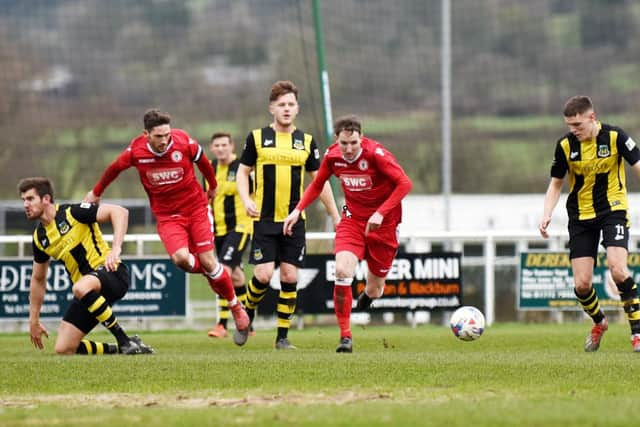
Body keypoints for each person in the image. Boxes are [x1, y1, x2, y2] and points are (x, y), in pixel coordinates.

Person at [84, 109, 250, 346]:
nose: (165, 141)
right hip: (168, 217)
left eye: (167, 135)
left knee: (209, 261)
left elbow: (203, 161)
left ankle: (235, 306)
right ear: (146, 134)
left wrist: (212, 186)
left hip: (196, 209)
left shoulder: (182, 142)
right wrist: (96, 192)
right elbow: (114, 169)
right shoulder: (136, 151)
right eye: (159, 136)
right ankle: (211, 274)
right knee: (182, 259)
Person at [283, 115, 412, 353]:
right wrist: (297, 210)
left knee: (375, 289)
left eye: (354, 143)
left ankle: (369, 296)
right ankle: (346, 337)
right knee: (342, 270)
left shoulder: (376, 155)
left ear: (361, 139)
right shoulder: (332, 157)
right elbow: (317, 185)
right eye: (344, 143)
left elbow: (404, 184)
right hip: (352, 220)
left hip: (383, 225)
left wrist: (381, 213)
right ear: (337, 140)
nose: (349, 149)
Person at [237, 80, 340, 350]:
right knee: (261, 275)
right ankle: (247, 311)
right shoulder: (257, 138)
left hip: (294, 221)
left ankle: (282, 337)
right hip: (264, 220)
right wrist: (246, 199)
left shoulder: (306, 142)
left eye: (290, 104)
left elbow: (320, 182)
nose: (286, 108)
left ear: (298, 109)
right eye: (281, 104)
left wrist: (336, 216)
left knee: (290, 277)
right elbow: (242, 172)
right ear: (272, 108)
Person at [539, 95, 640, 352]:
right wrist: (546, 213)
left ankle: (637, 333)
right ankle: (600, 322)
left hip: (613, 211)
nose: (574, 131)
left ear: (592, 117)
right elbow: (556, 183)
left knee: (618, 270)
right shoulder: (564, 145)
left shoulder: (616, 137)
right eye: (570, 126)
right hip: (581, 218)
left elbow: (638, 165)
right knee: (582, 285)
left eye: (578, 125)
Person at [19, 177, 153, 355]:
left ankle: (124, 339)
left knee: (80, 287)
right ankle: (120, 348)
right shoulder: (40, 238)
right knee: (64, 348)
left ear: (46, 199)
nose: (25, 205)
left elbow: (120, 212)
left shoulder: (72, 213)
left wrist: (116, 249)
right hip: (86, 292)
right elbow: (38, 279)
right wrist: (33, 320)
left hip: (112, 274)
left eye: (30, 199)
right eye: (23, 200)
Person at [205, 132, 254, 339]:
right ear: (212, 148)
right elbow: (205, 197)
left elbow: (256, 192)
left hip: (241, 227)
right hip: (219, 230)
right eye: (217, 145)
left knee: (222, 271)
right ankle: (247, 321)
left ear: (232, 146)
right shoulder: (210, 168)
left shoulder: (243, 167)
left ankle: (222, 324)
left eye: (224, 144)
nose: (221, 148)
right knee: (236, 277)